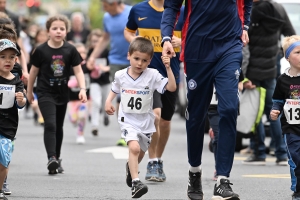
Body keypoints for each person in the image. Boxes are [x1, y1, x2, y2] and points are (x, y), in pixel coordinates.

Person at [161, 0, 252, 199]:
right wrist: (166, 37)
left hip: (229, 46)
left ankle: (222, 180)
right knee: (196, 115)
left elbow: (248, 2)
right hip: (197, 49)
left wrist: (245, 25)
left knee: (228, 109)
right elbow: (172, 7)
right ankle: (194, 172)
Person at [105, 37, 176, 198]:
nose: (139, 63)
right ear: (128, 56)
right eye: (136, 59)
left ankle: (130, 169)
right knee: (134, 148)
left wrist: (168, 68)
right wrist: (108, 101)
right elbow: (114, 89)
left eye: (144, 61)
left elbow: (171, 87)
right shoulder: (121, 75)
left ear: (150, 61)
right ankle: (136, 183)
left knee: (141, 152)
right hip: (128, 120)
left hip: (146, 121)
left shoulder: (153, 75)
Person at [124, 0, 184, 182]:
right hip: (147, 76)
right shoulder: (138, 10)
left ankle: (157, 158)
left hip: (170, 74)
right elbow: (128, 31)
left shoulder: (181, 11)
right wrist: (137, 42)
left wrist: (182, 41)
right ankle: (153, 161)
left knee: (165, 121)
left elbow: (195, 35)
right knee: (154, 116)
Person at [26, 15, 87, 174]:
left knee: (58, 126)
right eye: (54, 28)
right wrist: (30, 91)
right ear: (48, 31)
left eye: (62, 28)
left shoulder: (70, 50)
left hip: (62, 93)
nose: (58, 31)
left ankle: (57, 159)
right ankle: (51, 157)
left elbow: (78, 71)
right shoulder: (40, 50)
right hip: (45, 92)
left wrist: (82, 89)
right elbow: (33, 72)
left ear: (66, 31)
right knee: (50, 124)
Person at [242, 0, 295, 166]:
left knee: (255, 112)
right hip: (271, 69)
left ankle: (258, 152)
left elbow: (242, 43)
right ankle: (280, 153)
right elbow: (291, 36)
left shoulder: (248, 10)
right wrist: (278, 55)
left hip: (252, 71)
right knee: (275, 112)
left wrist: (243, 74)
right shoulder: (278, 9)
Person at [87, 0, 132, 145]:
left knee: (132, 95)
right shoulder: (107, 18)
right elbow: (105, 38)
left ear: (114, 3)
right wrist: (93, 57)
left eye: (105, 5)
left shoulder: (131, 12)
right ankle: (124, 133)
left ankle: (135, 129)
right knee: (121, 97)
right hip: (115, 61)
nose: (104, 9)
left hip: (134, 60)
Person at [270, 35, 300, 200]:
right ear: (287, 57)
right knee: (296, 158)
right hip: (291, 129)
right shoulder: (282, 80)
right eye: (298, 52)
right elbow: (278, 101)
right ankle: (297, 189)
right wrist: (275, 110)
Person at [0, 38, 27, 200]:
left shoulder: (16, 81)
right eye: (3, 56)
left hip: (8, 125)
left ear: (16, 60)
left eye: (11, 57)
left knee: (4, 159)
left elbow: (21, 104)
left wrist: (21, 99)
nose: (7, 60)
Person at [86, 29, 111, 136]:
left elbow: (113, 65)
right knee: (96, 102)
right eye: (93, 41)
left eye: (97, 41)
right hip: (94, 81)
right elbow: (85, 67)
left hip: (106, 81)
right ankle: (94, 126)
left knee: (105, 103)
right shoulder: (90, 53)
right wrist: (90, 66)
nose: (95, 43)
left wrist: (105, 68)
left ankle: (106, 116)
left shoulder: (107, 52)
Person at [67, 43, 90, 144]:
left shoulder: (87, 66)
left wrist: (97, 70)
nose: (82, 54)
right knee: (73, 119)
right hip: (71, 99)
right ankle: (74, 121)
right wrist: (70, 83)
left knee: (82, 116)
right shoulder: (69, 66)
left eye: (84, 52)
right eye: (79, 52)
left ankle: (80, 134)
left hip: (85, 99)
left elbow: (95, 76)